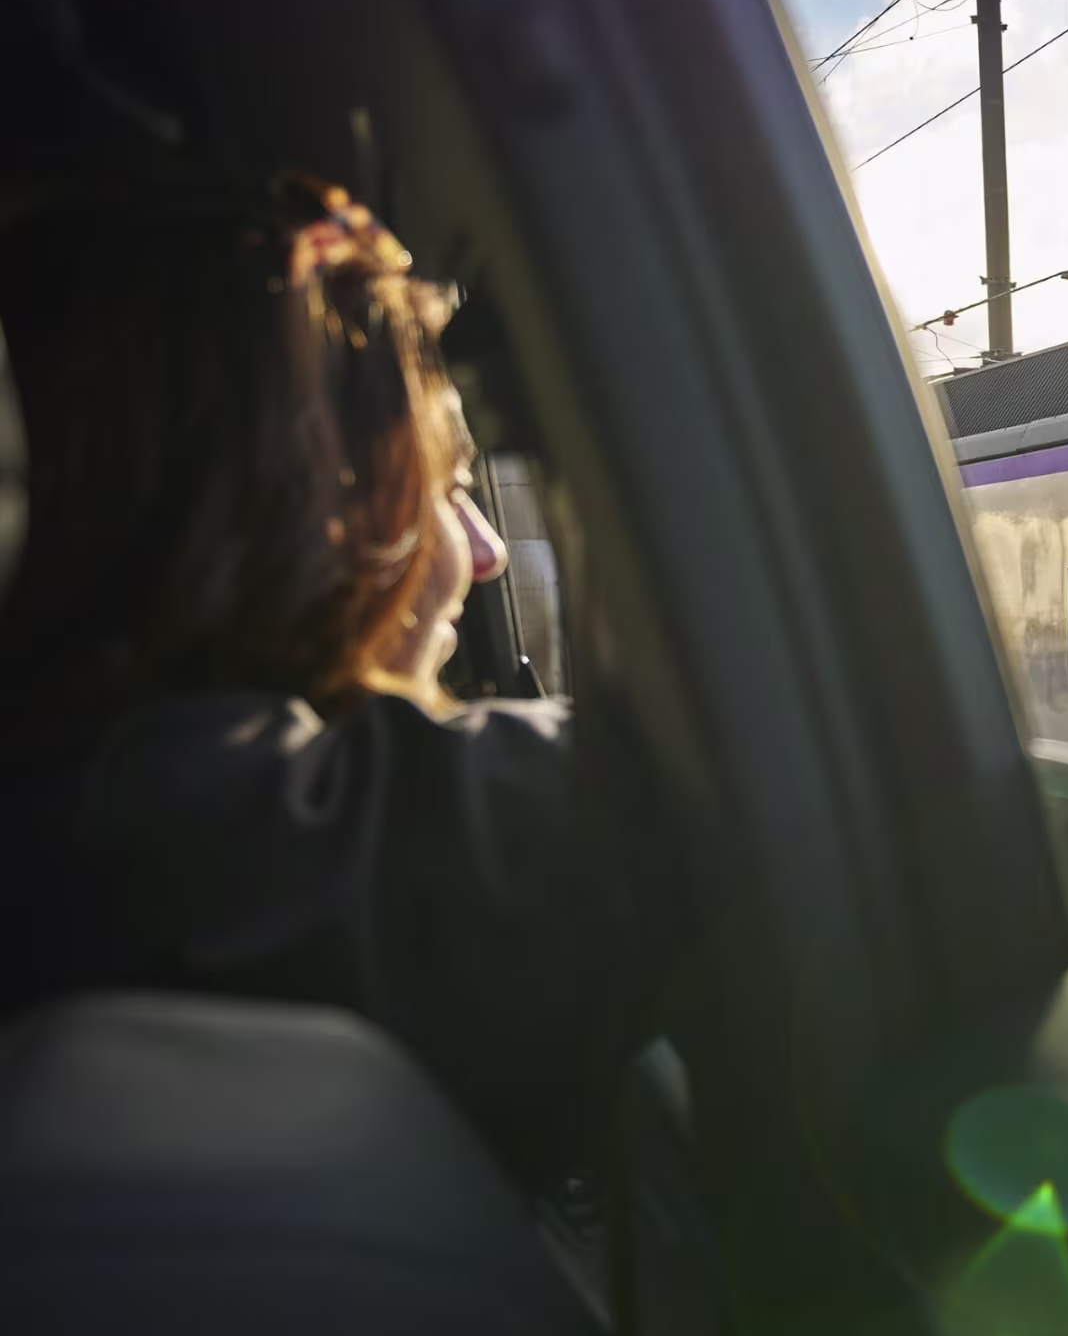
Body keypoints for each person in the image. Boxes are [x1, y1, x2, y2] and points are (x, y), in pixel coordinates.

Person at [0, 178, 668, 1179]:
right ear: (259, 518)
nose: (482, 552)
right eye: (440, 490)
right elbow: (721, 774)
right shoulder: (179, 856)